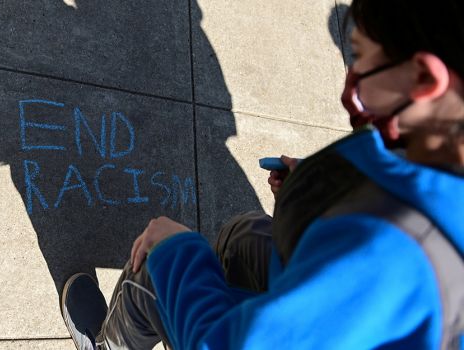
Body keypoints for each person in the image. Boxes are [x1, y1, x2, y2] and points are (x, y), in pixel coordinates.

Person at [61, 0, 464, 348]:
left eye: (360, 56)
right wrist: (323, 192)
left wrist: (177, 252)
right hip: (321, 301)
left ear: (426, 79)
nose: (350, 73)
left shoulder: (389, 256)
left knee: (154, 269)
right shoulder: (437, 148)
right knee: (245, 235)